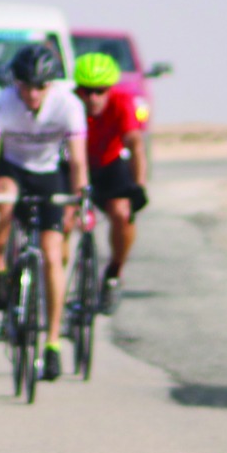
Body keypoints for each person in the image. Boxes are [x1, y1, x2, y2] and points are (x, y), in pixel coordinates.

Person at [0, 44, 88, 380]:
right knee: (3, 198)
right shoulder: (0, 104)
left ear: (50, 85)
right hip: (12, 168)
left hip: (49, 174)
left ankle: (52, 343)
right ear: (16, 82)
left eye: (40, 86)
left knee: (53, 256)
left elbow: (78, 161)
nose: (33, 93)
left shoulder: (68, 105)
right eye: (26, 85)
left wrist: (81, 197)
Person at [72, 53, 147, 314]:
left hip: (108, 164)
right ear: (77, 89)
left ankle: (114, 271)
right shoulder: (68, 105)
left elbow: (135, 145)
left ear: (110, 89)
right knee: (63, 218)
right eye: (86, 91)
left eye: (100, 91)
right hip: (74, 165)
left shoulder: (122, 102)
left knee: (122, 214)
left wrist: (138, 186)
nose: (92, 98)